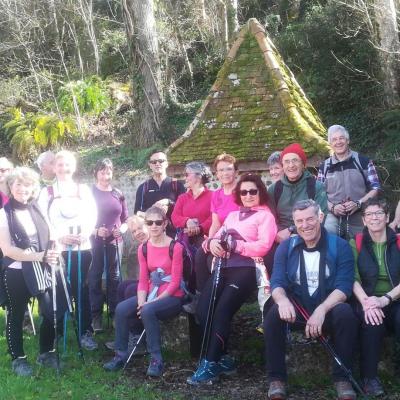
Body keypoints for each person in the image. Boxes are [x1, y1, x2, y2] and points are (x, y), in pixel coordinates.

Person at [187, 173, 277, 385]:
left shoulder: (266, 217)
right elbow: (214, 237)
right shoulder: (233, 215)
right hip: (223, 267)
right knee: (203, 309)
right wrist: (212, 245)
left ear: (260, 193)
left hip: (246, 269)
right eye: (243, 192)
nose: (247, 195)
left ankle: (210, 363)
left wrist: (238, 246)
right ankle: (223, 358)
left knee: (221, 311)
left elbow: (264, 246)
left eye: (252, 191)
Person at [264, 199, 357, 400]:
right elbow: (277, 281)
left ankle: (343, 379)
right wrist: (282, 301)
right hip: (297, 307)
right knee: (272, 316)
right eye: (299, 221)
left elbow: (344, 287)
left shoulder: (339, 246)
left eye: (310, 219)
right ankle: (276, 379)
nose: (305, 225)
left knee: (346, 313)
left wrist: (322, 310)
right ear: (294, 223)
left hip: (328, 307)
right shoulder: (286, 247)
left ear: (320, 217)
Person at [103, 206, 184, 376]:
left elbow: (175, 283)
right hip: (150, 293)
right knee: (122, 308)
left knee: (148, 309)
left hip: (172, 296)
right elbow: (142, 281)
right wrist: (141, 302)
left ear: (165, 224)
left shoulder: (175, 247)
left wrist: (149, 303)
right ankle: (120, 354)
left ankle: (156, 359)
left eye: (158, 222)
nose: (153, 226)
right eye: (149, 222)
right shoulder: (144, 248)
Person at [0, 167, 63, 376]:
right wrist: (39, 256)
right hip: (16, 272)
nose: (22, 189)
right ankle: (18, 358)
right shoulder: (3, 214)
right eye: (17, 184)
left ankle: (46, 352)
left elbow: (53, 235)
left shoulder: (38, 208)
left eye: (27, 184)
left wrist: (55, 251)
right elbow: (8, 250)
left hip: (42, 269)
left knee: (50, 311)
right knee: (16, 315)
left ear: (33, 187)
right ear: (10, 186)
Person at [38, 150, 98, 351]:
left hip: (82, 248)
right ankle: (57, 332)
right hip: (58, 250)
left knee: (81, 290)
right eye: (60, 165)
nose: (64, 168)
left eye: (68, 165)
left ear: (74, 167)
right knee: (58, 291)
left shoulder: (83, 190)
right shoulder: (46, 193)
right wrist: (59, 237)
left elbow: (92, 214)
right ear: (54, 167)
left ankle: (85, 332)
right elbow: (42, 221)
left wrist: (85, 234)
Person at [351, 198, 400, 396]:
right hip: (367, 299)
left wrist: (386, 299)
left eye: (379, 213)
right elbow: (351, 277)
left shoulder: (398, 242)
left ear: (387, 217)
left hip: (394, 298)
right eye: (369, 214)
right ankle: (369, 379)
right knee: (373, 322)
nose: (374, 218)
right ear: (363, 220)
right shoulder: (356, 242)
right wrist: (367, 303)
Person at [191, 154, 239, 305]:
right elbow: (215, 223)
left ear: (236, 171)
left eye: (229, 169)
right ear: (217, 174)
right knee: (200, 254)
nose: (225, 173)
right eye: (221, 170)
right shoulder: (217, 195)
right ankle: (201, 298)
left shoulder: (242, 192)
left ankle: (211, 300)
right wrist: (210, 240)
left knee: (211, 261)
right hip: (219, 236)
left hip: (237, 238)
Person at [317, 125, 380, 239]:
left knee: (362, 245)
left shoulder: (363, 161)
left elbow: (375, 187)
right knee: (328, 238)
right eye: (334, 139)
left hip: (361, 213)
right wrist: (332, 207)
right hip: (333, 215)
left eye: (341, 138)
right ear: (330, 143)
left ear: (348, 140)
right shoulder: (324, 166)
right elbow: (319, 194)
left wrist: (359, 203)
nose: (338, 142)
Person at [89, 158, 129, 332]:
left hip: (115, 240)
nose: (106, 175)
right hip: (94, 240)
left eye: (109, 172)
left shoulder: (118, 193)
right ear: (96, 173)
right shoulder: (89, 193)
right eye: (102, 171)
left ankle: (114, 313)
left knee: (114, 277)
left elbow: (126, 219)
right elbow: (83, 219)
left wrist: (123, 229)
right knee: (95, 276)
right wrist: (96, 230)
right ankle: (95, 316)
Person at [104, 214, 149, 352]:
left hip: (160, 286)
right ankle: (126, 333)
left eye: (140, 228)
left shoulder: (156, 243)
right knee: (123, 286)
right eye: (134, 231)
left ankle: (138, 339)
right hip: (149, 282)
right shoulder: (143, 246)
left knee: (131, 290)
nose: (137, 233)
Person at [268, 143, 327, 244]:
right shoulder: (274, 189)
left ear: (303, 164)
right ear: (283, 165)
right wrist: (278, 233)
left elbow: (321, 217)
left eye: (295, 160)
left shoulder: (315, 187)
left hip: (309, 235)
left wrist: (292, 230)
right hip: (280, 238)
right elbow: (269, 218)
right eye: (287, 162)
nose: (291, 165)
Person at [134, 150, 185, 237]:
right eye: (154, 162)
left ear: (167, 163)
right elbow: (137, 212)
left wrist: (169, 202)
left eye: (161, 161)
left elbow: (184, 209)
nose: (157, 164)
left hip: (174, 235)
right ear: (150, 165)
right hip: (151, 236)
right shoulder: (143, 188)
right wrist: (153, 210)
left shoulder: (177, 185)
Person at [171, 161, 213, 248]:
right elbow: (174, 217)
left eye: (187, 174)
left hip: (206, 240)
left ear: (199, 176)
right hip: (185, 241)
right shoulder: (182, 197)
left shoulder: (213, 196)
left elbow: (214, 218)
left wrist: (200, 228)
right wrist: (187, 221)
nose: (184, 177)